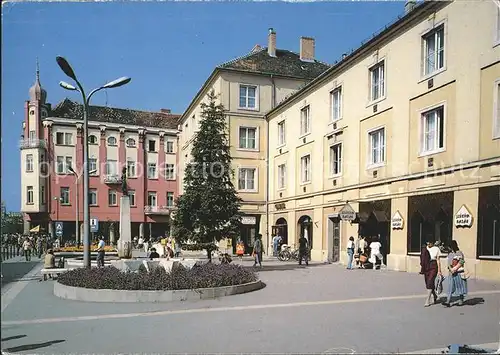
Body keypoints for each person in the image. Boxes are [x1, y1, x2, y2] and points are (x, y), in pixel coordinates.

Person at [443, 240, 468, 307]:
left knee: (460, 286)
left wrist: (455, 268)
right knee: (450, 287)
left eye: (449, 247)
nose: (448, 248)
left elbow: (462, 261)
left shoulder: (459, 253)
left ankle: (461, 299)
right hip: (451, 273)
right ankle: (448, 301)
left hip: (459, 273)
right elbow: (448, 263)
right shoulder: (450, 253)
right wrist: (450, 269)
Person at [420, 240, 442, 307]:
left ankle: (427, 300)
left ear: (432, 242)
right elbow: (422, 259)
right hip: (426, 266)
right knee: (428, 283)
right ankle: (434, 295)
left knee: (430, 281)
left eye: (429, 242)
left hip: (433, 266)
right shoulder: (424, 248)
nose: (428, 243)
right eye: (427, 242)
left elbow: (438, 260)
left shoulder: (436, 249)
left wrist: (439, 270)